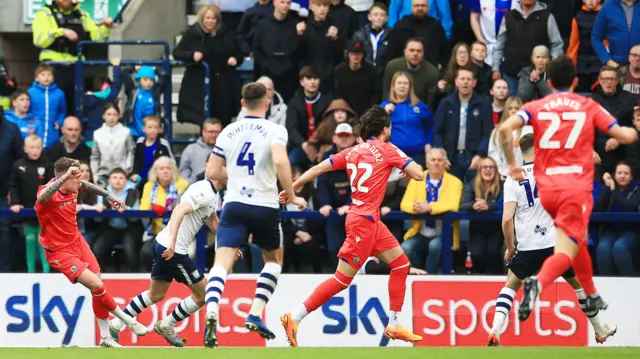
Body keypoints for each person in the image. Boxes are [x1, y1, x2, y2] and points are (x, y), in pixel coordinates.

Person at [497, 55, 638, 321]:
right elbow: (624, 135)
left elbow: (505, 129)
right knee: (567, 250)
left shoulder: (537, 105)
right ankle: (538, 284)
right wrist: (633, 132)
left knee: (576, 244)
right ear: (575, 81)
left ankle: (592, 292)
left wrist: (513, 164)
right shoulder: (587, 104)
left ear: (548, 82)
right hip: (574, 187)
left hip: (548, 190)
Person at [279, 105, 425, 347]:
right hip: (363, 222)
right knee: (341, 280)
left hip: (368, 219)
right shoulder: (388, 149)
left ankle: (394, 324)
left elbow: (317, 168)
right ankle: (294, 317)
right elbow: (419, 173)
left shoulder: (352, 151)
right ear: (385, 130)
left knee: (401, 265)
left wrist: (292, 187)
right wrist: (404, 165)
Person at [488, 133, 617, 346]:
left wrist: (510, 247)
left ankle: (494, 330)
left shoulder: (512, 178)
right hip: (556, 245)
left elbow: (506, 220)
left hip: (528, 247)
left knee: (509, 288)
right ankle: (599, 329)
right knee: (579, 286)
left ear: (521, 152)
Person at [203, 82, 307, 347]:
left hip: (234, 204)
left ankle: (213, 307)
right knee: (273, 261)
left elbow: (212, 173)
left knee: (222, 262)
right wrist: (292, 195)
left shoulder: (228, 131)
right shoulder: (274, 130)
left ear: (241, 103)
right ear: (267, 101)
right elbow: (282, 161)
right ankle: (254, 312)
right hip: (265, 205)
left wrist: (237, 176)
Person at [34, 157, 148, 347]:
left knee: (97, 285)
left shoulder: (73, 184)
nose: (80, 181)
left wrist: (109, 196)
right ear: (64, 177)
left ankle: (105, 338)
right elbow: (41, 198)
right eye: (75, 177)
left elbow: (87, 184)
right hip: (59, 251)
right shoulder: (48, 195)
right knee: (95, 284)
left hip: (77, 241)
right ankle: (129, 321)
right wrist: (65, 179)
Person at [109, 178, 221, 347]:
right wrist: (174, 242)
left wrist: (227, 244)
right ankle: (167, 323)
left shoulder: (210, 191)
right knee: (204, 295)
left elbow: (212, 220)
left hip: (161, 242)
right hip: (174, 250)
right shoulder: (205, 191)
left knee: (156, 294)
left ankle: (117, 323)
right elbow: (179, 210)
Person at [9, 135, 52, 273]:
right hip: (26, 213)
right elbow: (13, 186)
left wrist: (44, 203)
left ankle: (46, 271)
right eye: (32, 148)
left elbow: (52, 187)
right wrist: (15, 203)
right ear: (25, 149)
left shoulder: (47, 165)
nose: (35, 151)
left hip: (44, 214)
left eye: (38, 148)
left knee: (43, 241)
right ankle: (30, 272)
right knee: (30, 239)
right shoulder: (18, 165)